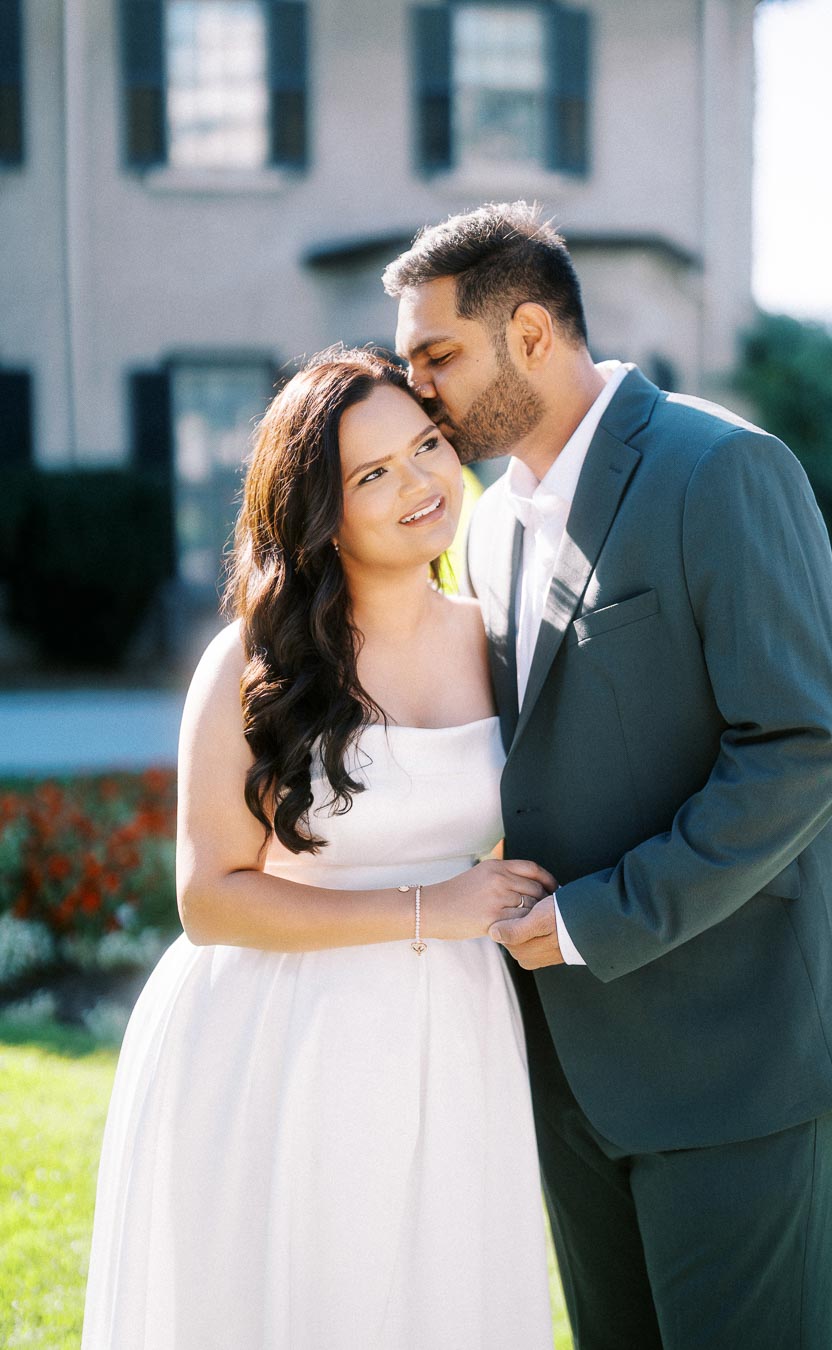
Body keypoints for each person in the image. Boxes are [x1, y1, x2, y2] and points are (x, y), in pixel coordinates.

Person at [385, 202, 832, 1350]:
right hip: (573, 1066)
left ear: (528, 334)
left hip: (739, 1056)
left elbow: (807, 740)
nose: (419, 390)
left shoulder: (723, 467)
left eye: (438, 356)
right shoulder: (491, 523)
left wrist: (591, 922)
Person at [80, 348, 556, 1350]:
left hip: (452, 1026)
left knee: (439, 1297)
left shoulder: (495, 637)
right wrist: (432, 910)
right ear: (318, 512)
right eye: (371, 474)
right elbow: (209, 898)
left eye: (426, 447)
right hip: (278, 1030)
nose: (418, 483)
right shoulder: (256, 660)